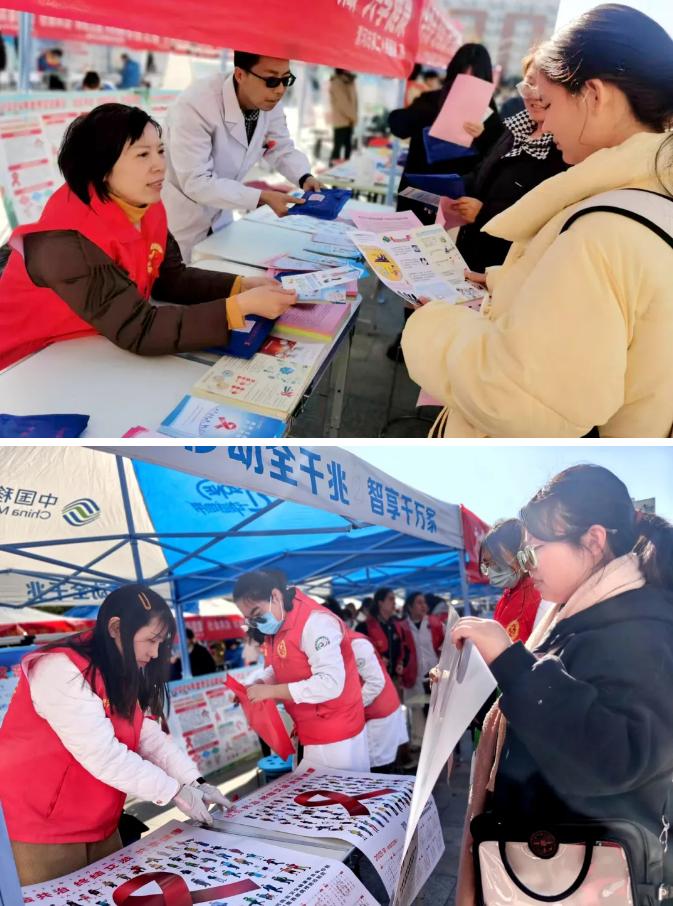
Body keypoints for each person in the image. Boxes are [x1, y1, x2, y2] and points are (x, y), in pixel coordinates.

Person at [402, 4, 673, 438]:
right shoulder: (650, 197)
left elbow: (515, 398)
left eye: (548, 103)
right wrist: (511, 283)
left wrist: (435, 323)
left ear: (594, 96)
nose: (543, 124)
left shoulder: (602, 230)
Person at [453, 464, 673, 904]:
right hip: (559, 869)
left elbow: (616, 756)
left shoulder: (638, 629)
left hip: (586, 878)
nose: (526, 565)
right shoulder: (582, 615)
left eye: (535, 549)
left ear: (593, 540)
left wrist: (513, 664)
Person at [0, 103, 296, 370]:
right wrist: (239, 307)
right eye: (143, 154)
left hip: (88, 351)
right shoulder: (67, 242)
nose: (159, 165)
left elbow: (170, 277)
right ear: (102, 168)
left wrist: (239, 286)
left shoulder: (144, 204)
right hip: (26, 366)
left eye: (160, 150)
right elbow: (139, 328)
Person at [0, 584, 230, 886]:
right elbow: (103, 755)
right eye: (150, 640)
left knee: (112, 891)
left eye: (161, 643)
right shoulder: (60, 668)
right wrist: (174, 791)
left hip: (99, 819)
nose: (155, 653)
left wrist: (195, 782)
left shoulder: (118, 667)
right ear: (116, 628)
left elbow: (146, 734)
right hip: (42, 826)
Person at [163, 51, 321, 261]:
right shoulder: (195, 106)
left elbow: (280, 147)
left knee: (220, 269)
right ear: (240, 74)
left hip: (222, 214)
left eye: (286, 80)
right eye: (272, 80)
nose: (280, 90)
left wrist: (304, 177)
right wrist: (260, 197)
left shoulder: (268, 101)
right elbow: (197, 182)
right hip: (183, 218)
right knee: (182, 274)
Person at [233, 570, 369, 771]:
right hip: (308, 729)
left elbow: (330, 683)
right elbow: (281, 666)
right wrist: (260, 684)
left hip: (337, 735)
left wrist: (271, 691)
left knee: (339, 789)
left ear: (275, 596)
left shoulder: (316, 622)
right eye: (250, 620)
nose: (258, 624)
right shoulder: (279, 624)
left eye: (258, 615)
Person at [452, 55, 568, 272]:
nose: (534, 94)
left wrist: (484, 213)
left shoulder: (565, 147)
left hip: (505, 267)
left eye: (545, 85)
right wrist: (453, 187)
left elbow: (544, 212)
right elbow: (484, 170)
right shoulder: (516, 128)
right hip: (470, 250)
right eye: (529, 83)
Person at [388, 44, 503, 226]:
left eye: (475, 80)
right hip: (417, 194)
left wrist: (483, 135)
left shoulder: (490, 115)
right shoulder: (430, 100)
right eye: (462, 78)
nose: (467, 87)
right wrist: (429, 114)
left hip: (456, 203)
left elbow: (495, 158)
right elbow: (397, 126)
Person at [347, 628, 408, 772]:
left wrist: (349, 708)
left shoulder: (356, 644)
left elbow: (375, 682)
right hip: (376, 712)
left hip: (378, 715)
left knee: (379, 769)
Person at [479, 519, 544, 644]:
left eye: (495, 561)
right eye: (487, 565)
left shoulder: (538, 595)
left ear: (520, 554)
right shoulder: (506, 597)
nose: (491, 571)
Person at [398, 592, 444, 748]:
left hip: (434, 675)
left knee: (437, 711)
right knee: (417, 712)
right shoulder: (402, 627)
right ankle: (421, 746)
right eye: (419, 602)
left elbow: (445, 645)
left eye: (424, 602)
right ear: (410, 607)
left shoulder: (435, 623)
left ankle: (441, 746)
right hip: (413, 677)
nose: (424, 605)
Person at [356, 587, 404, 683]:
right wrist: (378, 659)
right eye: (391, 599)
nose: (394, 603)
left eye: (394, 599)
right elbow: (358, 653)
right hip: (373, 680)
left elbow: (403, 648)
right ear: (380, 603)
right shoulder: (364, 627)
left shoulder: (396, 625)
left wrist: (401, 663)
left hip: (394, 678)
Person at [329, 69, 358, 165]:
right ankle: (332, 170)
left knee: (348, 149)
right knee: (337, 150)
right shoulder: (337, 82)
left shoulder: (350, 80)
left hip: (349, 120)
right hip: (341, 121)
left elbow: (354, 102)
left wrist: (353, 117)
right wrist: (354, 117)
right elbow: (343, 103)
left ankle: (345, 169)